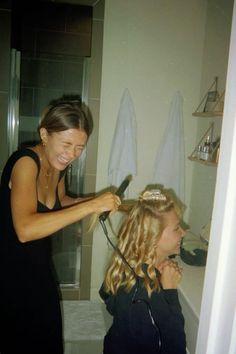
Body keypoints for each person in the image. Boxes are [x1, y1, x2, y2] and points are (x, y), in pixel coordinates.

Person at [0, 99, 121, 354]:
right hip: (9, 272)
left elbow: (62, 201)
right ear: (44, 134)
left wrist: (100, 201)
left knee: (48, 336)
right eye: (67, 144)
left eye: (80, 147)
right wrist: (90, 206)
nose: (72, 154)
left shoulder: (57, 167)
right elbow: (24, 229)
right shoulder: (25, 163)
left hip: (39, 266)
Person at [99, 188, 187, 354]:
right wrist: (170, 290)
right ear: (153, 237)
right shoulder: (148, 294)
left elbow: (106, 296)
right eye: (176, 228)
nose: (183, 232)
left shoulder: (127, 265)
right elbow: (175, 348)